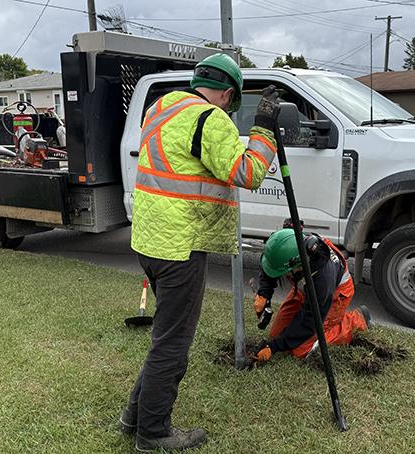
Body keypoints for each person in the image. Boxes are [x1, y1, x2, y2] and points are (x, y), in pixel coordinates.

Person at [120, 53, 280, 452]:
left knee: (164, 335)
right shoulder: (211, 120)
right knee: (173, 343)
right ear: (227, 94)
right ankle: (153, 433)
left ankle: (133, 416)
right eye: (232, 102)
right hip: (180, 245)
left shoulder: (163, 107)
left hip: (150, 240)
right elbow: (248, 173)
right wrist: (263, 132)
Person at [253, 228, 371, 363]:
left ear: (297, 265)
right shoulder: (295, 245)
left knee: (301, 348)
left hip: (334, 297)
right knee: (276, 335)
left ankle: (357, 320)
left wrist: (273, 348)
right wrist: (264, 294)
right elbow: (271, 265)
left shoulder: (323, 280)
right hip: (305, 289)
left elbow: (310, 321)